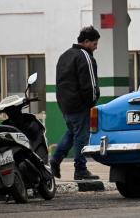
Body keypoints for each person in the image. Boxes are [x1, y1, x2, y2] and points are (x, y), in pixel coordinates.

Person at [49, 26, 101, 180]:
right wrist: (92, 102)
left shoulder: (65, 55)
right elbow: (90, 84)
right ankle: (80, 169)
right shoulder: (85, 56)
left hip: (65, 105)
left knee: (72, 134)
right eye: (94, 44)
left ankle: (55, 159)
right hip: (80, 106)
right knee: (81, 137)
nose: (96, 48)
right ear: (86, 42)